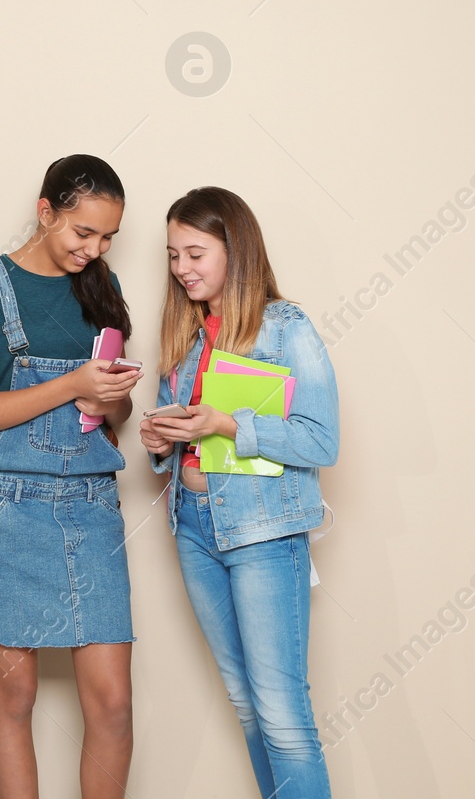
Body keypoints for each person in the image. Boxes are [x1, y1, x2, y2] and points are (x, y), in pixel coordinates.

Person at [0, 154, 140, 799]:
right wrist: (74, 384)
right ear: (44, 211)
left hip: (90, 505)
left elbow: (115, 411)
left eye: (107, 236)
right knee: (15, 697)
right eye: (82, 232)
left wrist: (109, 396)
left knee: (112, 702)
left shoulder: (102, 289)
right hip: (5, 508)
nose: (94, 248)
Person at [139, 186, 338, 799]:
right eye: (173, 256)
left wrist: (229, 424)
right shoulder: (188, 334)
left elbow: (321, 441)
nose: (182, 269)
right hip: (195, 528)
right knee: (247, 705)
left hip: (263, 533)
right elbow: (186, 440)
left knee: (281, 712)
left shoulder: (284, 328)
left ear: (236, 249)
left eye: (195, 253)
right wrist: (159, 443)